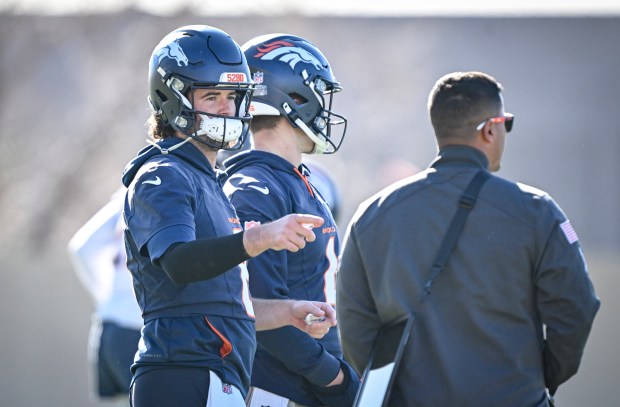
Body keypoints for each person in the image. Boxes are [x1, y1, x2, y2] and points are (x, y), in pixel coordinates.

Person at [336, 71, 600, 406]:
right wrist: (540, 377)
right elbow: (576, 309)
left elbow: (354, 324)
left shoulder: (372, 215)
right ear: (490, 128)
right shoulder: (538, 211)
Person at [122, 25, 337, 407]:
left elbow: (221, 304)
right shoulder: (162, 173)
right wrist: (260, 238)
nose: (226, 108)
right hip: (182, 372)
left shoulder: (207, 179)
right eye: (211, 96)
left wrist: (288, 312)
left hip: (215, 372)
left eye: (233, 97)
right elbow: (179, 263)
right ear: (171, 98)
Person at [223, 33, 360, 407]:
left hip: (301, 385)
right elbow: (259, 307)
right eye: (317, 92)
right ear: (293, 97)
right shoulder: (255, 189)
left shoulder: (292, 179)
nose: (324, 107)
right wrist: (331, 377)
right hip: (279, 390)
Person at [67, 187, 142, 406]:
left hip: (106, 329)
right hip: (135, 331)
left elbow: (82, 248)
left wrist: (109, 300)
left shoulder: (133, 191)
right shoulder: (170, 190)